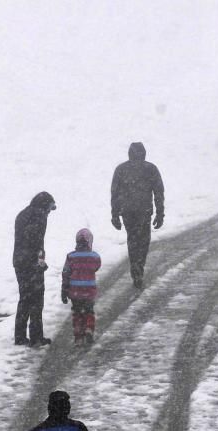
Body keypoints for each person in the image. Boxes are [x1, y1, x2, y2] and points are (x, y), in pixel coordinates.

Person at [110, 142, 165, 288]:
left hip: (127, 211)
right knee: (144, 240)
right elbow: (159, 192)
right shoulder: (150, 169)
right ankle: (139, 265)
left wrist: (115, 214)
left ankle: (135, 265)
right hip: (144, 211)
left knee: (132, 239)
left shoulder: (121, 169)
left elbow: (114, 194)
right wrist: (160, 213)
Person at [13, 191, 57, 347]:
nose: (49, 212)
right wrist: (39, 261)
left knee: (24, 298)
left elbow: (25, 239)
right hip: (31, 263)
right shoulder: (39, 216)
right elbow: (36, 242)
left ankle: (19, 336)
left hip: (19, 261)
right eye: (50, 208)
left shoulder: (23, 213)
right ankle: (36, 337)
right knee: (37, 300)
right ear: (45, 205)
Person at [61, 228, 102, 345]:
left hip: (75, 291)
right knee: (89, 311)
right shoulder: (95, 257)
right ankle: (89, 328)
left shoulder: (71, 256)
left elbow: (65, 273)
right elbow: (96, 267)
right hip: (89, 291)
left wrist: (64, 290)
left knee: (77, 312)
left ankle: (78, 337)